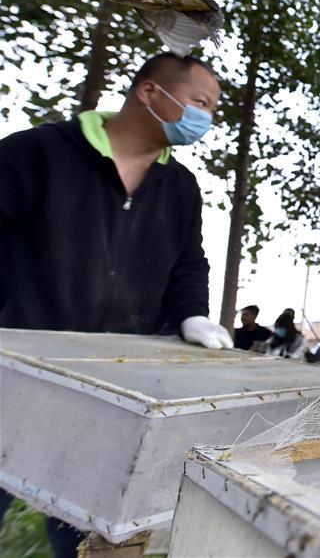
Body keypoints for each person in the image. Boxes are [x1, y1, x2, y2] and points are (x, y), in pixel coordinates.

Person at [0, 52, 232, 557]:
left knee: (92, 533)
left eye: (213, 109)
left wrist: (191, 314)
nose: (206, 120)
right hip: (15, 375)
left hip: (113, 391)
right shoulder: (35, 153)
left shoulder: (180, 188)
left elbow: (189, 264)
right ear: (150, 93)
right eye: (199, 103)